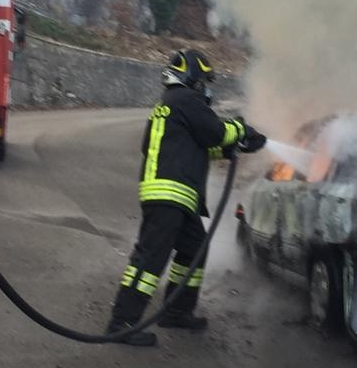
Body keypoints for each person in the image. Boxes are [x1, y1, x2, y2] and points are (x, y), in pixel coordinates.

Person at [107, 49, 266, 346]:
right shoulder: (186, 100)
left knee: (194, 250)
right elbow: (216, 132)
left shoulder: (169, 106)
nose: (206, 88)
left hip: (177, 196)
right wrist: (242, 130)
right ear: (191, 77)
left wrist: (237, 146)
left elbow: (202, 145)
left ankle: (177, 311)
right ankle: (121, 323)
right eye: (204, 81)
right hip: (170, 194)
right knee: (151, 258)